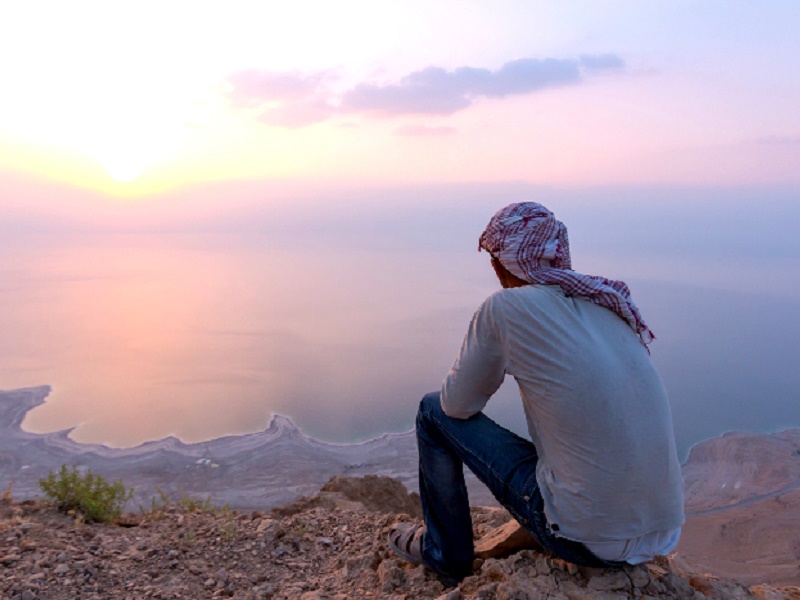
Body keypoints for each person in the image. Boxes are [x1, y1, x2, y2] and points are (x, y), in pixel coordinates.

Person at [388, 202, 685, 585]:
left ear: (500, 265)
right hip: (663, 533)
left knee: (432, 411)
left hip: (587, 540)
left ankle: (445, 555)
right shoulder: (607, 305)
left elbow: (456, 406)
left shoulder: (505, 308)